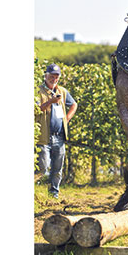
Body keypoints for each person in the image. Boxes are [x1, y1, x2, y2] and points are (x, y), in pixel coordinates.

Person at [35, 63, 77, 198]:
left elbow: (74, 104)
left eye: (56, 76)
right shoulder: (38, 91)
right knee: (43, 167)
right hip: (43, 136)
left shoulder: (62, 92)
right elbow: (36, 110)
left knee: (57, 169)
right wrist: (50, 102)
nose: (54, 79)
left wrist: (67, 118)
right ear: (46, 76)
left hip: (59, 136)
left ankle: (54, 193)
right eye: (52, 76)